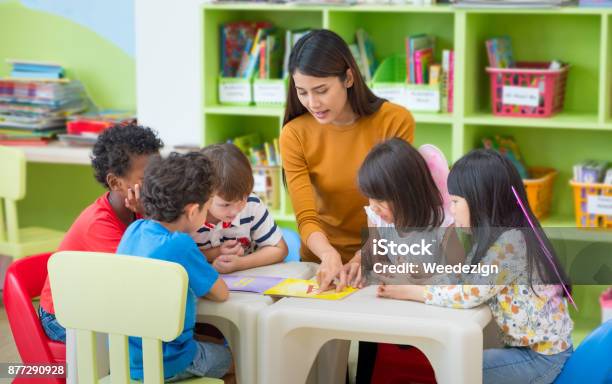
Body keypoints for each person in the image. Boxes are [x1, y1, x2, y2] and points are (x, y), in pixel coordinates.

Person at [378, 149, 574, 384]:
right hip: (533, 353)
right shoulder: (498, 239)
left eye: (456, 201)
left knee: (459, 368)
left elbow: (468, 294)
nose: (451, 209)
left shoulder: (511, 244)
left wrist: (407, 291)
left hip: (542, 359)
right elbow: (464, 278)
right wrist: (419, 278)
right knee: (457, 362)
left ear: (481, 200)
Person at [38, 122, 163, 343]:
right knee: (148, 340)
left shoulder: (138, 210)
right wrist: (148, 214)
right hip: (63, 316)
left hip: (99, 303)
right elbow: (144, 275)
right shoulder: (99, 224)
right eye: (147, 179)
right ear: (115, 182)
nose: (158, 184)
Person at [117, 152, 234, 383]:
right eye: (207, 207)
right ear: (192, 211)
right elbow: (221, 293)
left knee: (208, 343)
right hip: (168, 362)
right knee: (238, 359)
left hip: (127, 358)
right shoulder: (180, 244)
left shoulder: (135, 229)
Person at [192, 143, 288, 273]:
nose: (236, 211)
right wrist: (215, 253)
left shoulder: (252, 205)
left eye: (243, 198)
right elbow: (179, 257)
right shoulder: (190, 215)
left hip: (250, 279)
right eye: (226, 204)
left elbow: (280, 249)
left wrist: (241, 263)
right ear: (204, 195)